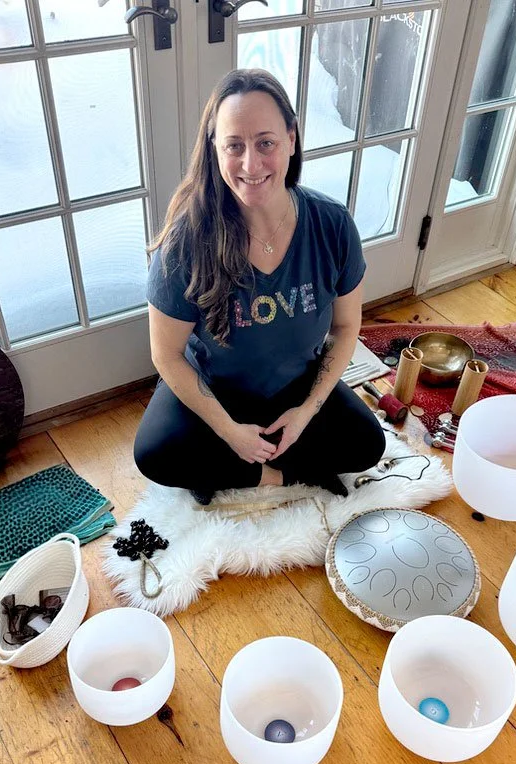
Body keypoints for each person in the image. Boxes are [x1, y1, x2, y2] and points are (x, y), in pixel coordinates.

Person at [134, 68, 386, 504]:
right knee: (155, 453)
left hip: (296, 385)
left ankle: (248, 472)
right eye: (234, 146)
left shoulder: (332, 224)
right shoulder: (184, 242)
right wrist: (230, 433)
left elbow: (346, 328)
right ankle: (273, 473)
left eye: (265, 143)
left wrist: (305, 413)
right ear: (215, 149)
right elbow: (167, 355)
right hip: (214, 390)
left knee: (368, 444)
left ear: (291, 139)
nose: (251, 165)